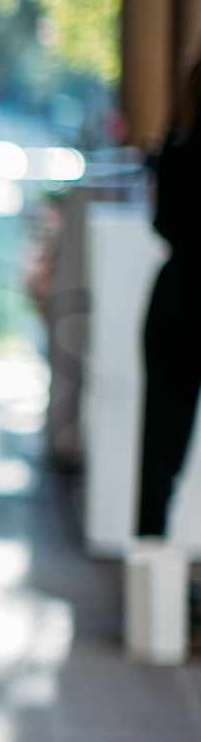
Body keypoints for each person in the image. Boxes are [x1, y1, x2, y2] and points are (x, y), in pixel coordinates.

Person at [135, 63, 201, 545]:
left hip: (176, 297)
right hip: (182, 300)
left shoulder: (175, 153)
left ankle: (150, 575)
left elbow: (162, 225)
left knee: (159, 450)